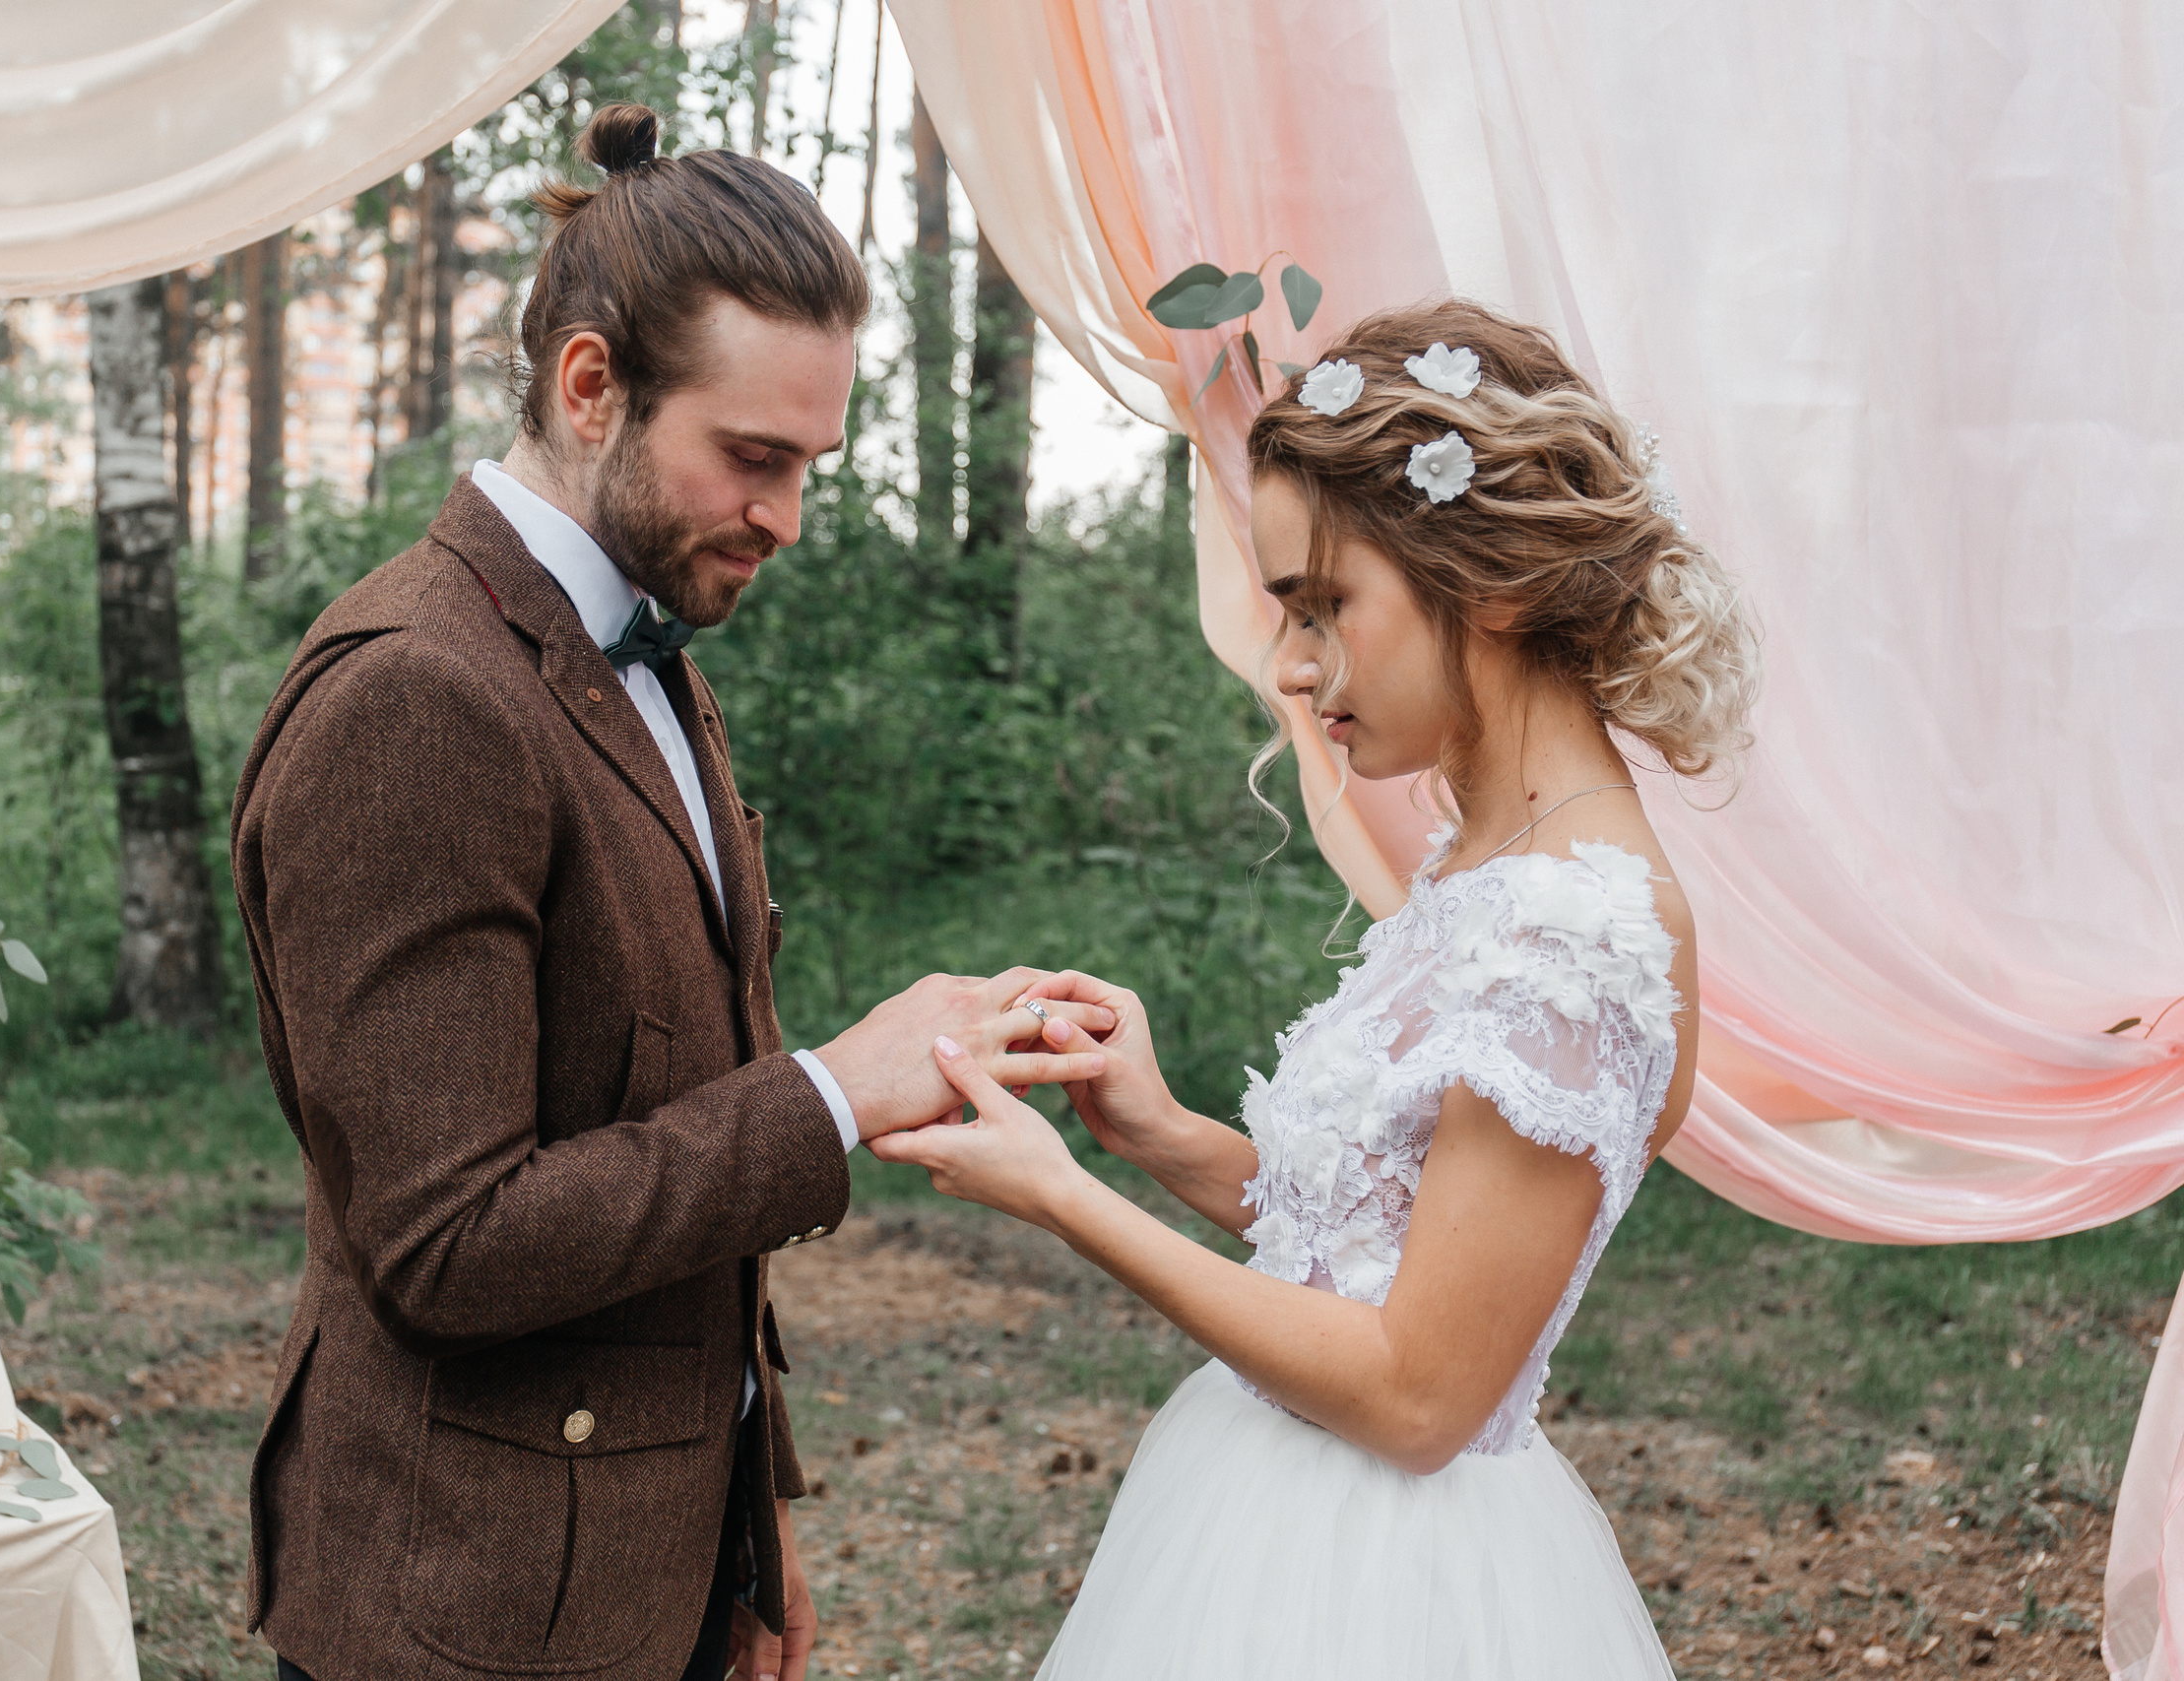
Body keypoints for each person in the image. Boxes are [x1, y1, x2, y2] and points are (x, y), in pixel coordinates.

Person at [228, 104, 1110, 1681]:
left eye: (809, 466)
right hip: (469, 1619)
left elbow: (663, 1107)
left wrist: (749, 1528)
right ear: (589, 386)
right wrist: (833, 1097)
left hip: (655, 1572)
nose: (784, 515)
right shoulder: (418, 695)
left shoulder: (638, 640)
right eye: (754, 457)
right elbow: (447, 1247)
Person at [872, 298, 1761, 1677]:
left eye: (1324, 606)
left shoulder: (1581, 935)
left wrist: (1066, 1196)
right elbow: (1383, 1239)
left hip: (1387, 1589)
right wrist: (1159, 1134)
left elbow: (1417, 1391)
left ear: (1497, 585)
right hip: (1269, 1508)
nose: (1293, 666)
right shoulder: (1494, 861)